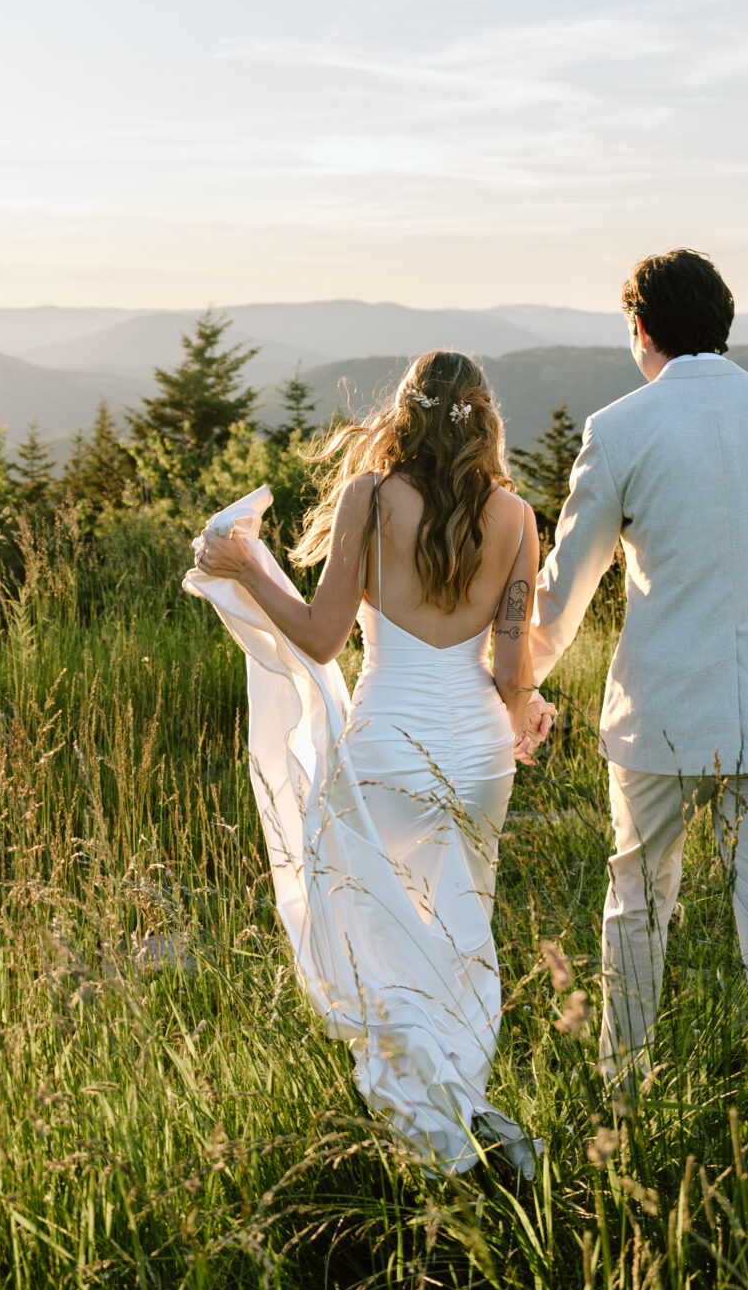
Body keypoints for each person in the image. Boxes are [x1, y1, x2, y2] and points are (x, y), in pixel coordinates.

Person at [530, 248, 748, 1134]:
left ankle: (623, 1105)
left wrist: (511, 684)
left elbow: (563, 591)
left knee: (636, 906)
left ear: (640, 330)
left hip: (656, 716)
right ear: (723, 325)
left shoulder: (617, 428)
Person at [189, 349, 550, 1176]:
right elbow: (509, 672)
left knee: (371, 930)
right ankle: (461, 1104)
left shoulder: (371, 498)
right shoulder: (517, 516)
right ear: (483, 416)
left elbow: (318, 636)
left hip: (389, 749)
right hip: (478, 760)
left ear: (407, 411)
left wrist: (247, 566)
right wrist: (529, 707)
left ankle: (430, 1121)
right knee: (460, 930)